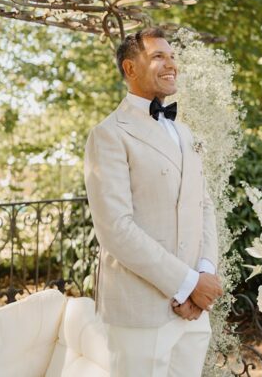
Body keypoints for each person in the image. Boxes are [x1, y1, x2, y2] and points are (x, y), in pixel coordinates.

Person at [83, 28, 223, 376]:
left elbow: (203, 205)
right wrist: (187, 283)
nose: (171, 64)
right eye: (159, 56)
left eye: (172, 56)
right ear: (130, 69)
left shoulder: (185, 133)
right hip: (140, 312)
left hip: (192, 311)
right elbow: (115, 229)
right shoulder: (109, 134)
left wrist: (204, 272)